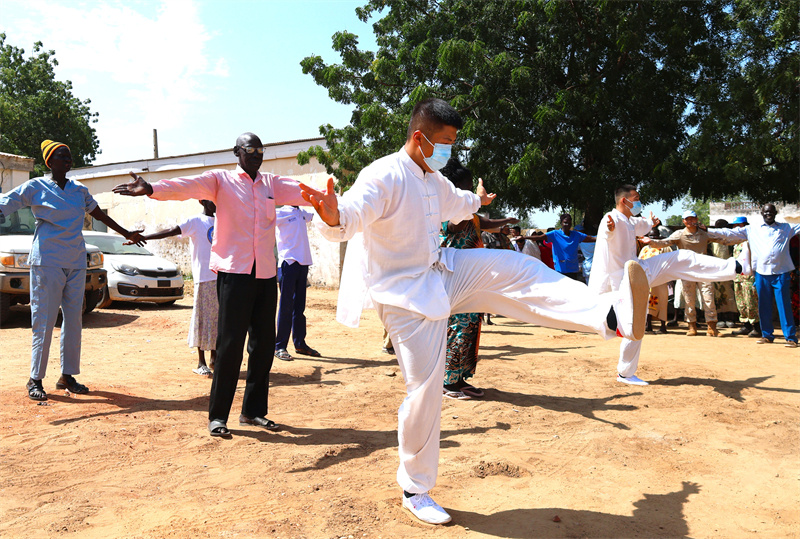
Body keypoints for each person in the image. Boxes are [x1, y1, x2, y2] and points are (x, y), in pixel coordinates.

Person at [299, 98, 650, 525]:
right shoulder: (383, 175)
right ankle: (416, 489)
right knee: (425, 391)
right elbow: (350, 216)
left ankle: (610, 316)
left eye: (453, 143)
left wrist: (478, 199)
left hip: (441, 270)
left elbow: (461, 202)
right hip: (403, 297)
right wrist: (332, 214)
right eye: (445, 142)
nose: (449, 151)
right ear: (419, 138)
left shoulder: (434, 179)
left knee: (514, 268)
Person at [113, 132, 309, 437]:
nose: (256, 155)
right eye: (250, 150)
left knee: (262, 348)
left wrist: (336, 200)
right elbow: (186, 185)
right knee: (229, 346)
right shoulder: (220, 181)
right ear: (237, 152)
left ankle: (253, 411)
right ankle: (218, 416)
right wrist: (152, 188)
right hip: (234, 274)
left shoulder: (271, 184)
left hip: (265, 274)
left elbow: (306, 192)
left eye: (260, 150)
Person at [0, 140, 144, 401]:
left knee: (74, 320)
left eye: (69, 156)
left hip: (76, 262)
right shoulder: (35, 187)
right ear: (49, 162)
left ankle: (67, 376)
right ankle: (35, 379)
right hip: (47, 261)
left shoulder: (79, 190)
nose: (67, 160)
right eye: (62, 156)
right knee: (44, 321)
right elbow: (6, 203)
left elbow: (99, 215)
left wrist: (127, 233)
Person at [590, 185, 746, 386]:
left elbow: (643, 225)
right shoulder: (611, 218)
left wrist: (651, 222)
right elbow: (607, 231)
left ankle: (735, 266)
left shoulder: (631, 221)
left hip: (639, 271)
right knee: (635, 324)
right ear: (624, 200)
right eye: (636, 198)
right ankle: (625, 373)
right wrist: (609, 229)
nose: (639, 202)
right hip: (623, 280)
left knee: (681, 257)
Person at [439, 157, 517, 400]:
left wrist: (506, 221)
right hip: (457, 280)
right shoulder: (451, 212)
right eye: (468, 186)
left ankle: (460, 378)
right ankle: (448, 382)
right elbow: (458, 223)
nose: (471, 190)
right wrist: (476, 200)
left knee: (471, 328)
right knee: (459, 328)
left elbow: (484, 222)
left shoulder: (469, 212)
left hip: (471, 280)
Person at [132, 200, 218, 375]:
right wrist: (145, 237)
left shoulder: (221, 221)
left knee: (217, 320)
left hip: (221, 278)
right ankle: (201, 362)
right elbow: (170, 231)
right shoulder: (195, 221)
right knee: (202, 319)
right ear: (202, 200)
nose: (215, 201)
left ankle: (215, 358)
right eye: (211, 198)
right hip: (203, 278)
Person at [643, 210, 741, 337]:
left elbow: (721, 240)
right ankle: (692, 326)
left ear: (697, 219)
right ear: (683, 221)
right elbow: (664, 242)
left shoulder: (704, 234)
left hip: (704, 270)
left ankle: (712, 327)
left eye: (692, 218)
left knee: (708, 298)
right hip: (687, 271)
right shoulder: (679, 234)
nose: (690, 221)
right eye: (687, 219)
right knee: (689, 300)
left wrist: (738, 239)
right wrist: (650, 242)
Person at [719, 204, 800, 347]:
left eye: (771, 212)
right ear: (762, 213)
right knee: (763, 305)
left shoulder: (786, 227)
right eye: (766, 212)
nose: (768, 214)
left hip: (781, 272)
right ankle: (767, 335)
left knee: (784, 306)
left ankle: (790, 338)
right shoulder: (752, 229)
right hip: (761, 273)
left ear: (775, 213)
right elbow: (730, 233)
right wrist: (707, 231)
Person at [274, 205, 321, 361]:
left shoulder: (302, 212)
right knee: (286, 306)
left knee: (299, 307)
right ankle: (280, 346)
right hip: (288, 263)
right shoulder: (280, 212)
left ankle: (300, 343)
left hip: (303, 263)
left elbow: (317, 214)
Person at [526, 214, 596, 281]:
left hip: (573, 270)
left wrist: (601, 238)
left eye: (569, 223)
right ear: (561, 223)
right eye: (565, 223)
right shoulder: (555, 234)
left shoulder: (576, 235)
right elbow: (539, 237)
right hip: (560, 270)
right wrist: (524, 237)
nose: (567, 225)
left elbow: (590, 238)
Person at [729, 217, 761, 337]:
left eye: (738, 225)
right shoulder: (736, 242)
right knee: (741, 302)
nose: (736, 228)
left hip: (748, 277)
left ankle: (757, 327)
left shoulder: (751, 240)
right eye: (734, 226)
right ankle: (746, 325)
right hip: (738, 277)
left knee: (751, 302)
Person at [637, 229, 672, 334]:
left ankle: (663, 326)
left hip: (661, 279)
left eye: (655, 236)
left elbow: (670, 262)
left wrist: (670, 278)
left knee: (662, 302)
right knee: (647, 302)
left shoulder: (665, 248)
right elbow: (640, 262)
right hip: (648, 280)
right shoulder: (644, 249)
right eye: (651, 236)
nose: (653, 238)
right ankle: (648, 325)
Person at [709, 219, 739, 328]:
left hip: (729, 269)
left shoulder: (731, 239)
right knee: (717, 294)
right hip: (716, 269)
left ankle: (730, 317)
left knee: (730, 293)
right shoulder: (711, 239)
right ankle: (720, 318)